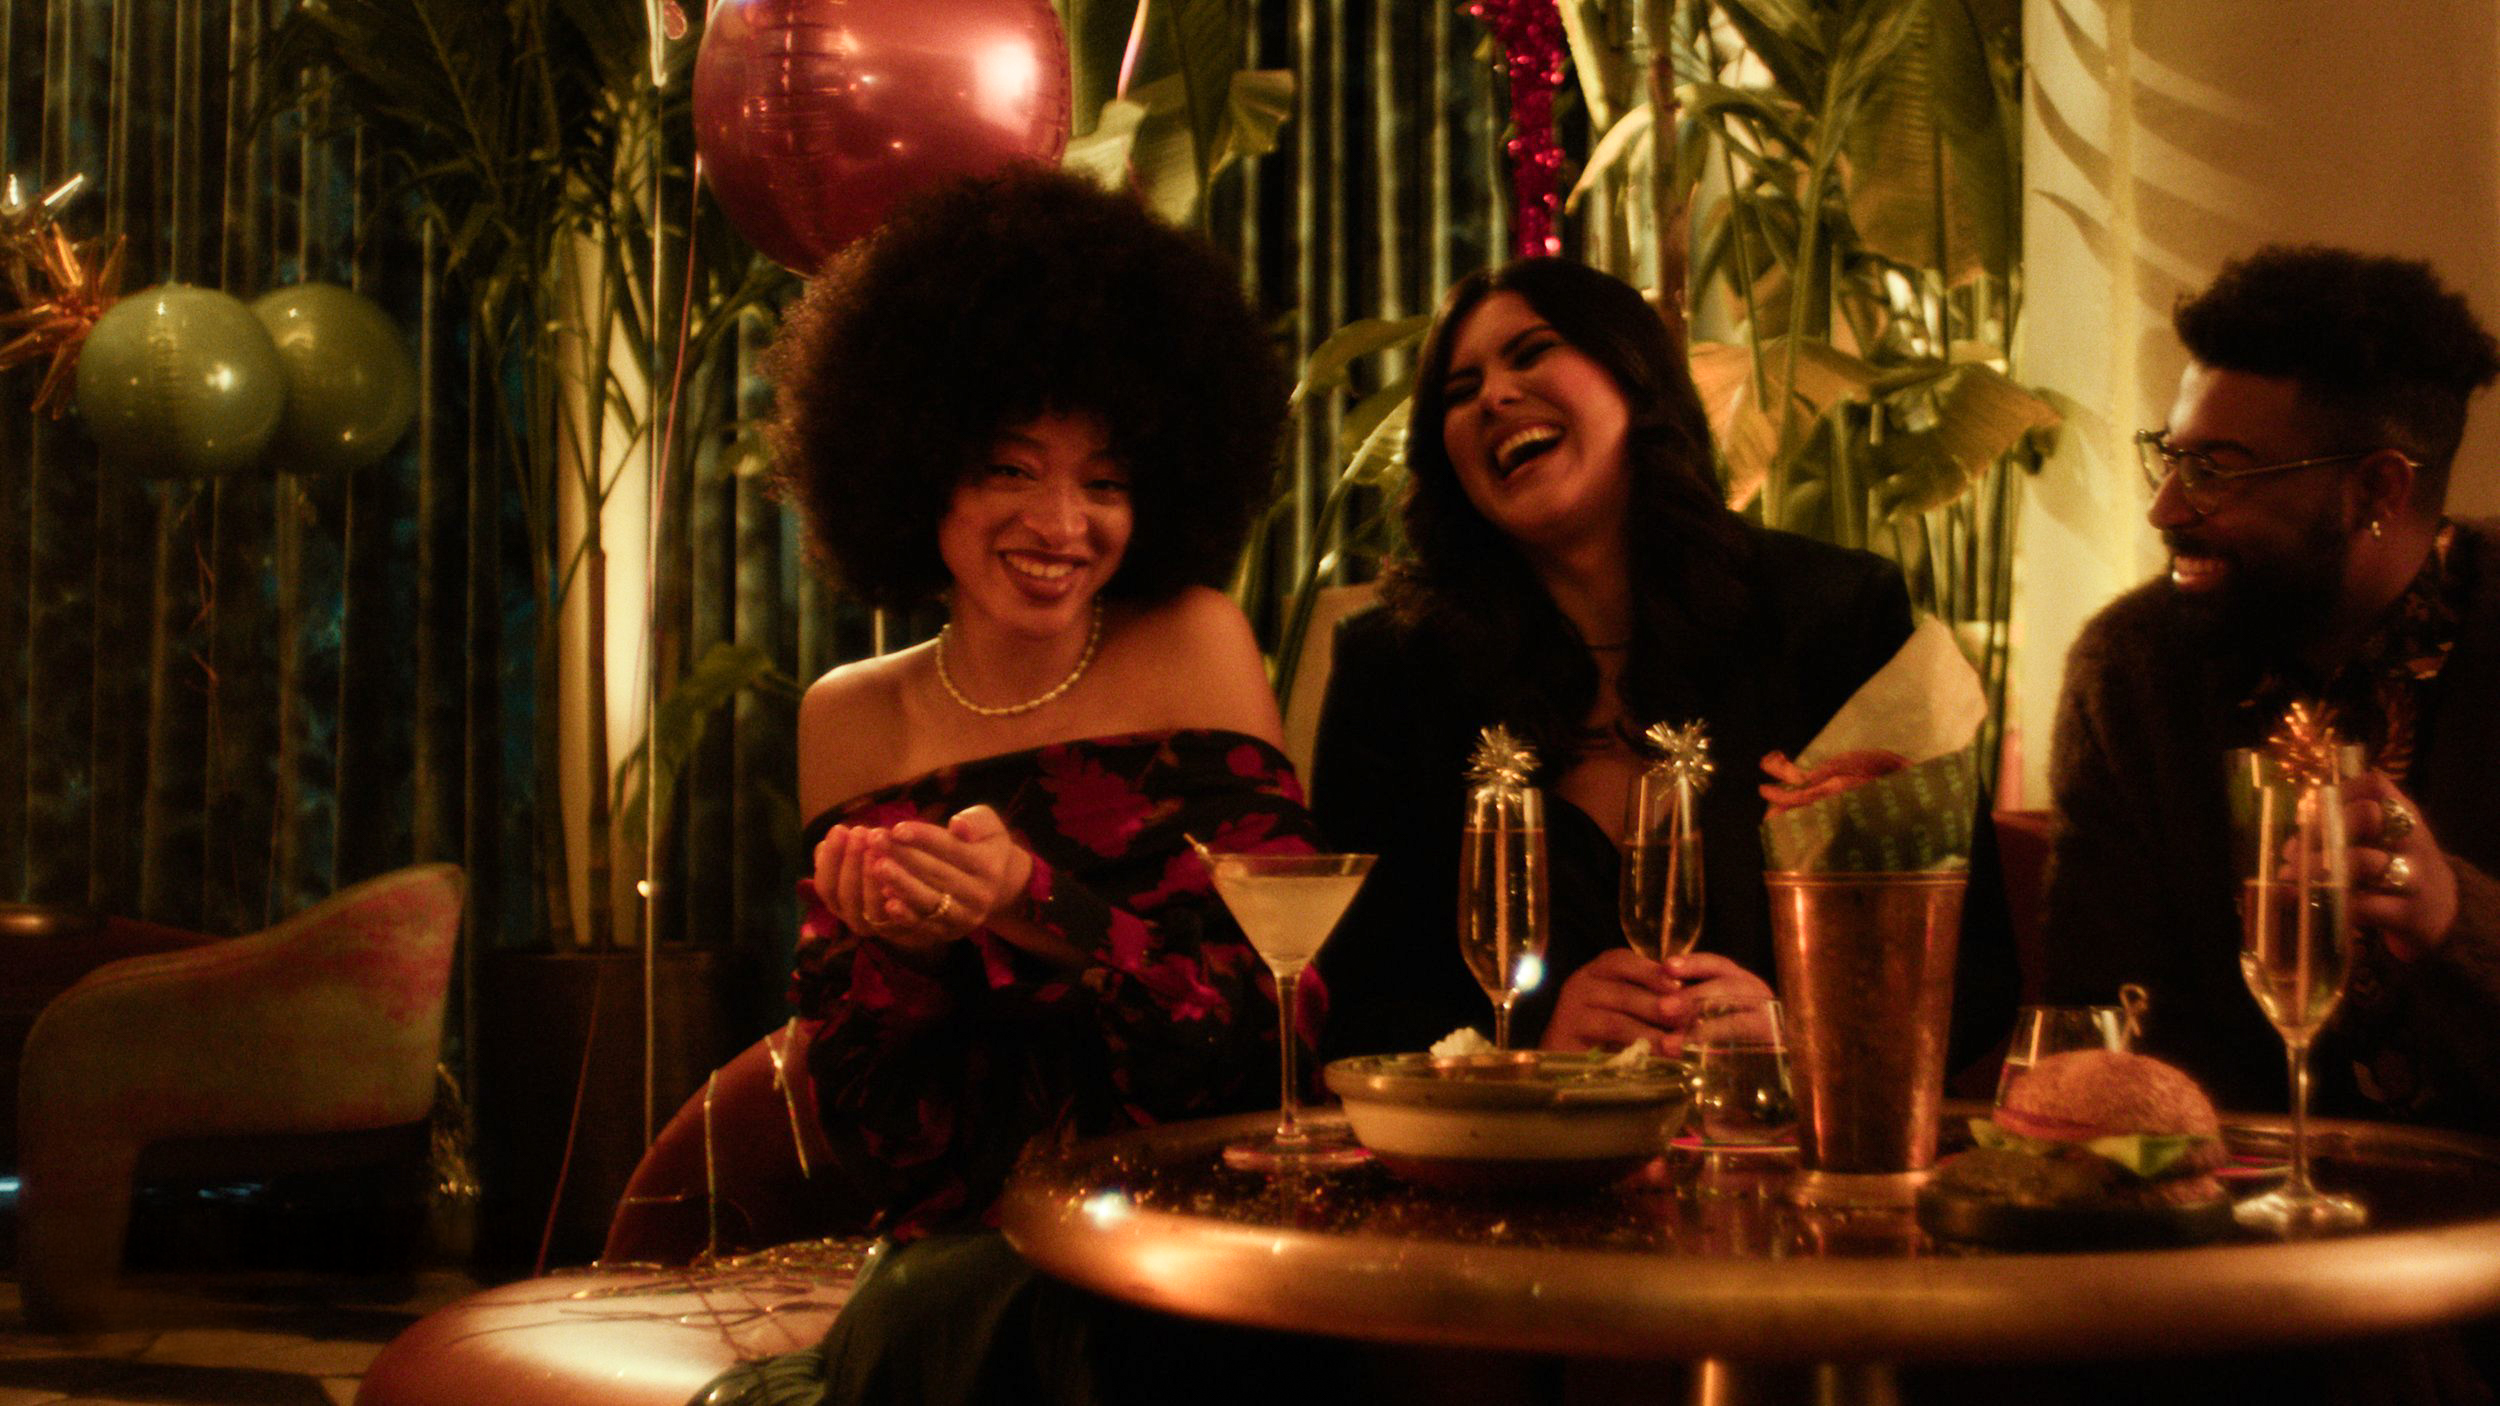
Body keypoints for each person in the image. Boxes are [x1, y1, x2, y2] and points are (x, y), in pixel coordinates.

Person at [604, 165, 1310, 1274]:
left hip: (1193, 1236)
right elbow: (878, 1133)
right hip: (961, 1257)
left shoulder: (1194, 641)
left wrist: (1033, 902)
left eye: (1106, 482)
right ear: (917, 465)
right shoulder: (848, 716)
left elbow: (1276, 1028)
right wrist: (905, 957)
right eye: (1009, 469)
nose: (1061, 524)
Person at [1313, 257, 2015, 1068]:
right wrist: (1525, 1052)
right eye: (1459, 391)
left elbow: (1971, 972)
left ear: (1634, 375)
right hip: (1509, 1144)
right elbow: (1348, 1005)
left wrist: (1800, 1032)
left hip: (1780, 1137)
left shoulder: (1836, 617)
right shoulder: (1394, 673)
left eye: (1532, 352)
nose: (1494, 397)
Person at [2042, 244, 2500, 1133]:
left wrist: (2454, 919)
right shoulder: (2133, 670)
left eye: (2217, 469)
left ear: (2377, 489)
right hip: (2221, 1197)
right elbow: (2099, 1016)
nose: (2166, 508)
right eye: (2170, 458)